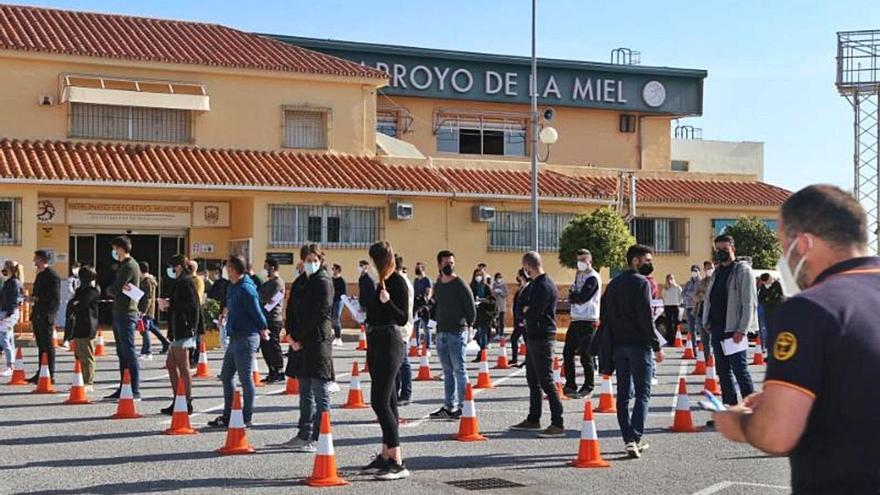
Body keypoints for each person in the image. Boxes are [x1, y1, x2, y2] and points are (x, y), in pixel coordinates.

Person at [715, 184, 880, 493]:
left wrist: (737, 422)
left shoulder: (810, 308)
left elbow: (776, 433)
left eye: (782, 244)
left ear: (802, 244)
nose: (784, 257)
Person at [601, 244, 664, 458]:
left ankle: (628, 438)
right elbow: (646, 318)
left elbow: (606, 316)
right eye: (647, 260)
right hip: (639, 346)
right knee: (643, 393)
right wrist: (656, 346)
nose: (650, 264)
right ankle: (635, 438)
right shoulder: (642, 283)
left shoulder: (614, 284)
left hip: (619, 346)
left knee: (623, 396)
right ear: (635, 261)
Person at [358, 241, 410, 480]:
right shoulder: (376, 281)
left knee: (379, 401)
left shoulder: (397, 281)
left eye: (373, 260)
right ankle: (385, 454)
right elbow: (370, 313)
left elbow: (401, 318)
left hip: (391, 341)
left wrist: (387, 300)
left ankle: (398, 461)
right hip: (375, 340)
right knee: (388, 401)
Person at [282, 244, 335, 453]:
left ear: (320, 260)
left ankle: (320, 436)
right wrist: (291, 335)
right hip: (299, 343)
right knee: (304, 391)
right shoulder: (300, 282)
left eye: (315, 259)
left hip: (317, 342)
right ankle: (304, 432)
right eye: (308, 260)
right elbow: (291, 309)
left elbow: (320, 314)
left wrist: (300, 336)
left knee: (319, 391)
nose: (311, 263)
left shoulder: (324, 282)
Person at [509, 251, 564, 437]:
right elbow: (524, 308)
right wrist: (525, 311)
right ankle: (534, 418)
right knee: (533, 379)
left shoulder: (543, 286)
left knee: (546, 380)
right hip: (534, 335)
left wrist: (526, 312)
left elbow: (532, 312)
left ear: (527, 267)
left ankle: (558, 423)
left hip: (542, 335)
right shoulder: (536, 284)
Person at [208, 255, 267, 429]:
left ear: (234, 270)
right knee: (226, 376)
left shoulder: (246, 289)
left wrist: (263, 328)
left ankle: (246, 416)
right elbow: (229, 304)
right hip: (234, 337)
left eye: (228, 268)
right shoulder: (232, 287)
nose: (226, 271)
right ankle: (229, 414)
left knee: (246, 379)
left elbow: (257, 312)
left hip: (246, 337)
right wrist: (224, 314)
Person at [701, 234, 756, 407]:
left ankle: (750, 409)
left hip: (734, 329)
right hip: (717, 327)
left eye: (724, 249)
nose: (721, 253)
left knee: (739, 370)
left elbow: (749, 302)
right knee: (723, 371)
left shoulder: (742, 270)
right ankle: (730, 407)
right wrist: (706, 321)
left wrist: (742, 329)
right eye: (718, 250)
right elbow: (709, 297)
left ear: (733, 249)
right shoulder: (717, 272)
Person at [429, 250, 475, 420]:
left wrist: (469, 326)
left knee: (459, 370)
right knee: (447, 371)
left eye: (452, 263)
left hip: (457, 332)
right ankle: (449, 406)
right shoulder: (439, 284)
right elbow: (437, 305)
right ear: (439, 264)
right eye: (446, 263)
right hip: (441, 332)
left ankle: (464, 406)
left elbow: (471, 307)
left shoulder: (460, 284)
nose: (450, 266)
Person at [157, 255, 201, 415]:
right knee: (171, 364)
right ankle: (178, 398)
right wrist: (170, 304)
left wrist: (170, 304)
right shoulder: (182, 281)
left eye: (173, 267)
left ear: (179, 266)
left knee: (183, 366)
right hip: (178, 328)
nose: (171, 270)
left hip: (184, 329)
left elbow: (191, 305)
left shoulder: (186, 281)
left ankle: (186, 401)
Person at [104, 237, 141, 400]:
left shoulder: (129, 266)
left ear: (121, 248)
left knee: (129, 351)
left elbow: (117, 287)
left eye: (115, 249)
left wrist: (110, 289)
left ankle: (134, 389)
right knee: (122, 352)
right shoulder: (124, 266)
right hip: (120, 311)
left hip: (127, 313)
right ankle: (124, 386)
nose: (114, 252)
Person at [563, 249, 601, 399]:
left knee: (586, 355)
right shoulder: (579, 276)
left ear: (590, 261)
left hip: (588, 320)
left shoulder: (593, 277)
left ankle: (588, 386)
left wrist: (574, 296)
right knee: (568, 352)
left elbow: (582, 297)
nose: (581, 263)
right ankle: (570, 384)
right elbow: (572, 294)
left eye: (584, 260)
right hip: (576, 319)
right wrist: (573, 296)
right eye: (579, 260)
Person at [29, 250, 61, 384]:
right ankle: (41, 371)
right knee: (41, 345)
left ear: (42, 260)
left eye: (36, 259)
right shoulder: (40, 275)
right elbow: (36, 293)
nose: (34, 261)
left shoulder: (53, 276)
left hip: (46, 314)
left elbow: (54, 298)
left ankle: (51, 373)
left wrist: (49, 315)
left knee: (48, 345)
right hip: (37, 313)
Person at [66, 265, 99, 390]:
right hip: (78, 325)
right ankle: (79, 380)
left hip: (88, 325)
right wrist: (75, 303)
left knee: (87, 356)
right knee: (78, 355)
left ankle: (88, 382)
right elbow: (73, 304)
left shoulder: (93, 291)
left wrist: (76, 303)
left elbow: (81, 304)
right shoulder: (80, 290)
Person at [258, 258, 285, 383]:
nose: (264, 270)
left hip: (273, 319)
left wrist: (260, 297)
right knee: (265, 347)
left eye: (266, 267)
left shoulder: (278, 283)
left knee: (273, 346)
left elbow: (267, 299)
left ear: (272, 268)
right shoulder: (267, 283)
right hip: (264, 318)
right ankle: (271, 371)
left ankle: (279, 371)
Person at [138, 261, 170, 359]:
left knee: (144, 330)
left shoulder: (148, 281)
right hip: (146, 309)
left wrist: (143, 311)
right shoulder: (145, 280)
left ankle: (147, 352)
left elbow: (148, 298)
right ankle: (165, 342)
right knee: (151, 327)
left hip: (146, 310)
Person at [394, 254, 413, 407]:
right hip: (401, 326)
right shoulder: (401, 281)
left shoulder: (401, 282)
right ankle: (397, 391)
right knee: (398, 362)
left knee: (403, 361)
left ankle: (406, 393)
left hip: (401, 327)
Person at [0, 260, 24, 376]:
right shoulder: (8, 281)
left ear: (9, 269)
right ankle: (11, 365)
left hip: (9, 313)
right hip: (6, 312)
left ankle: (10, 366)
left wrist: (7, 315)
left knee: (4, 338)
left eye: (4, 267)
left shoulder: (14, 282)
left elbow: (15, 300)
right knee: (8, 339)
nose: (3, 269)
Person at [756, 272, 784, 354]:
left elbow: (779, 297)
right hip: (767, 312)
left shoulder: (777, 284)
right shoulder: (763, 287)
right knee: (769, 333)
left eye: (767, 281)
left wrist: (768, 299)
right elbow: (760, 298)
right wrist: (768, 299)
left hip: (777, 311)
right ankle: (770, 353)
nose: (766, 283)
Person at [692, 261, 714, 361]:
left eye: (711, 267)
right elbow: (695, 296)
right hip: (701, 313)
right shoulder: (702, 282)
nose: (710, 270)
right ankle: (708, 362)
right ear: (704, 270)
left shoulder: (717, 280)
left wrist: (706, 295)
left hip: (715, 314)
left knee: (717, 340)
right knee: (705, 340)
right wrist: (702, 296)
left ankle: (719, 363)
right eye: (708, 268)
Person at [508, 269, 529, 368]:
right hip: (519, 319)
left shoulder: (527, 288)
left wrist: (522, 319)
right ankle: (516, 358)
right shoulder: (521, 288)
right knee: (516, 339)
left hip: (523, 320)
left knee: (522, 339)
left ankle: (527, 360)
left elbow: (526, 305)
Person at [57, 262, 80, 349]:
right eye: (74, 267)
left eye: (77, 267)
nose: (75, 269)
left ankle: (76, 339)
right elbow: (69, 289)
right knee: (69, 320)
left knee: (78, 321)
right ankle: (67, 339)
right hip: (72, 301)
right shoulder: (70, 279)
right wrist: (76, 295)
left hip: (80, 301)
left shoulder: (82, 279)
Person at [681, 265, 703, 351]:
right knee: (691, 329)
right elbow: (683, 294)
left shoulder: (702, 282)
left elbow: (700, 295)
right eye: (692, 270)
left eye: (696, 270)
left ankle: (702, 347)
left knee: (700, 329)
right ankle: (693, 348)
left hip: (698, 307)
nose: (694, 272)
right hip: (689, 307)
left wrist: (690, 294)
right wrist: (692, 295)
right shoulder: (688, 283)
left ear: (699, 271)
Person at [473, 290, 498, 362]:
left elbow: (494, 313)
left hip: (486, 323)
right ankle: (482, 352)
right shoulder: (481, 305)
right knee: (479, 338)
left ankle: (482, 354)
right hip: (480, 322)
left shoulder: (492, 305)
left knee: (483, 338)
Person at [661, 274, 683, 344]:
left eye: (671, 279)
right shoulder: (665, 288)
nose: (670, 280)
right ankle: (670, 339)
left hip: (675, 306)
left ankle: (677, 337)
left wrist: (679, 303)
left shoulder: (678, 288)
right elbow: (663, 297)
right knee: (669, 323)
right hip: (667, 306)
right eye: (668, 279)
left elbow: (681, 297)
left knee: (676, 322)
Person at [330, 264, 347, 346]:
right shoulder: (330, 280)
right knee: (331, 319)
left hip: (339, 301)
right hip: (331, 301)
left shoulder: (341, 280)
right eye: (332, 269)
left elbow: (344, 292)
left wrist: (336, 295)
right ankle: (334, 337)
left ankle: (338, 337)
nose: (332, 270)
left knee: (336, 318)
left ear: (338, 270)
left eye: (334, 269)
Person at [491, 272, 508, 339]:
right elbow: (492, 294)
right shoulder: (494, 285)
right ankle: (497, 332)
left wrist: (501, 292)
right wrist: (495, 292)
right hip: (495, 306)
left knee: (501, 320)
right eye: (498, 278)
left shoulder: (504, 285)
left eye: (500, 277)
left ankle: (501, 333)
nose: (499, 279)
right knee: (496, 320)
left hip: (502, 306)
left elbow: (506, 294)